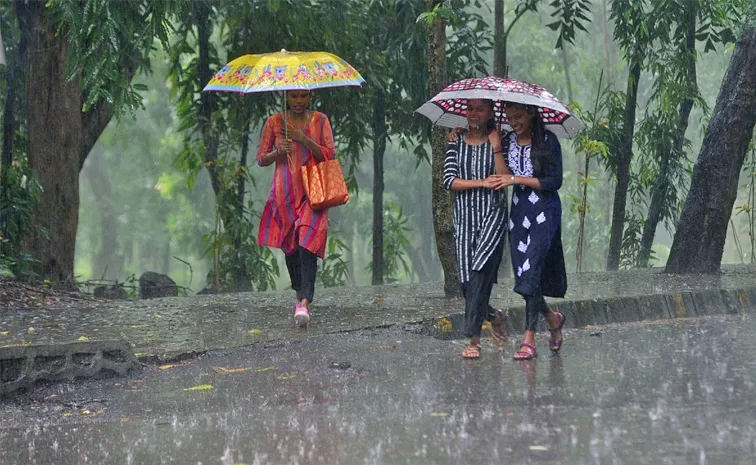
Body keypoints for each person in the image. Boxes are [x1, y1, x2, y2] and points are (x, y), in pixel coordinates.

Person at [257, 90, 335, 327]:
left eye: (303, 96)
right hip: (283, 195)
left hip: (313, 193)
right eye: (293, 96)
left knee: (307, 241)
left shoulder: (321, 120)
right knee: (291, 247)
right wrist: (277, 152)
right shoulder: (274, 122)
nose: (298, 101)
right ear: (287, 97)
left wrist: (304, 139)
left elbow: (329, 154)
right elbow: (261, 158)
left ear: (310, 96)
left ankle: (305, 302)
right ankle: (299, 294)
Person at [498, 102, 567, 360]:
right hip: (519, 212)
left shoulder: (548, 141)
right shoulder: (506, 141)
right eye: (509, 117)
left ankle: (529, 337)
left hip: (544, 211)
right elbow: (494, 161)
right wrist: (460, 133)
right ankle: (552, 318)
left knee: (533, 268)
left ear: (531, 112)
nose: (513, 121)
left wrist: (516, 180)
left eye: (518, 116)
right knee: (524, 273)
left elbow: (554, 181)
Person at [443, 99, 510, 359]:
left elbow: (504, 179)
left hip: (492, 214)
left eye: (480, 108)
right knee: (465, 283)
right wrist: (481, 182)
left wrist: (496, 148)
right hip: (464, 217)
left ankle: (473, 340)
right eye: (470, 108)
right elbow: (449, 181)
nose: (473, 113)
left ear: (491, 112)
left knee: (480, 271)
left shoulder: (500, 139)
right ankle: (494, 316)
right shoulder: (455, 141)